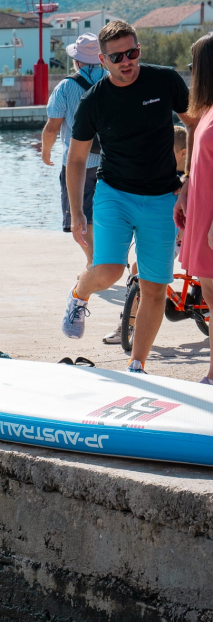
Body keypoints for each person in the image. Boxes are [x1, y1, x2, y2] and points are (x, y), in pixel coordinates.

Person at [61, 21, 196, 375]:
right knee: (109, 270)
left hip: (162, 196)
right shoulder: (94, 101)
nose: (127, 61)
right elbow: (76, 159)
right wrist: (77, 214)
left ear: (139, 49)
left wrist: (189, 176)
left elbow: (194, 123)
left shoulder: (165, 81)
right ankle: (79, 294)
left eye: (132, 52)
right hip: (115, 194)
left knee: (155, 287)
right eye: (117, 56)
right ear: (103, 61)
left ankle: (136, 364)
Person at [42, 32, 107, 269]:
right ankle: (104, 258)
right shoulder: (114, 80)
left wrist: (46, 151)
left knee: (79, 215)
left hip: (76, 164)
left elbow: (52, 127)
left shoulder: (66, 86)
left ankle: (93, 261)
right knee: (104, 213)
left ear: (76, 61)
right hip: (110, 162)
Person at [175, 32, 213, 385]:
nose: (189, 72)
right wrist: (186, 186)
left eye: (192, 65)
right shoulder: (207, 113)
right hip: (203, 216)